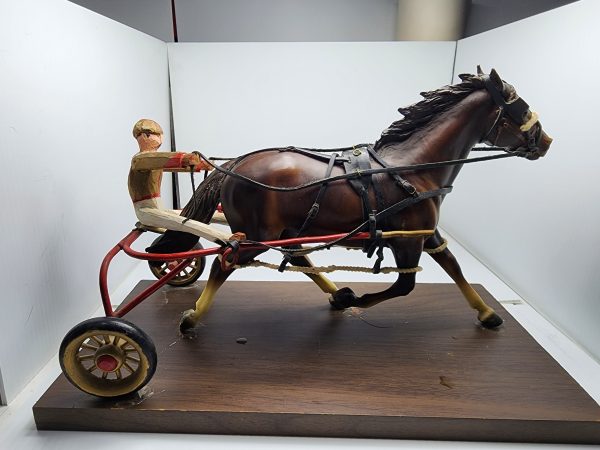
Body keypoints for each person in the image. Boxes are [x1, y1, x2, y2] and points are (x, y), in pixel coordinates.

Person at [128, 119, 234, 245]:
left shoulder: (153, 160)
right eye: (157, 135)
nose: (160, 139)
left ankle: (243, 222)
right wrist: (184, 158)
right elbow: (164, 160)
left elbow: (172, 165)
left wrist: (200, 165)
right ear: (145, 136)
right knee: (189, 223)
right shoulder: (140, 159)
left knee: (206, 213)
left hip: (158, 209)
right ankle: (230, 240)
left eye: (161, 135)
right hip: (146, 211)